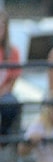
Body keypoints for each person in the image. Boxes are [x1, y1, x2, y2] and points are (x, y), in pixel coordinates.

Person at [0, 10, 22, 140]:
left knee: (10, 104)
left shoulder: (12, 52)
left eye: (2, 26)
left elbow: (12, 81)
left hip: (4, 94)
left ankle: (3, 138)